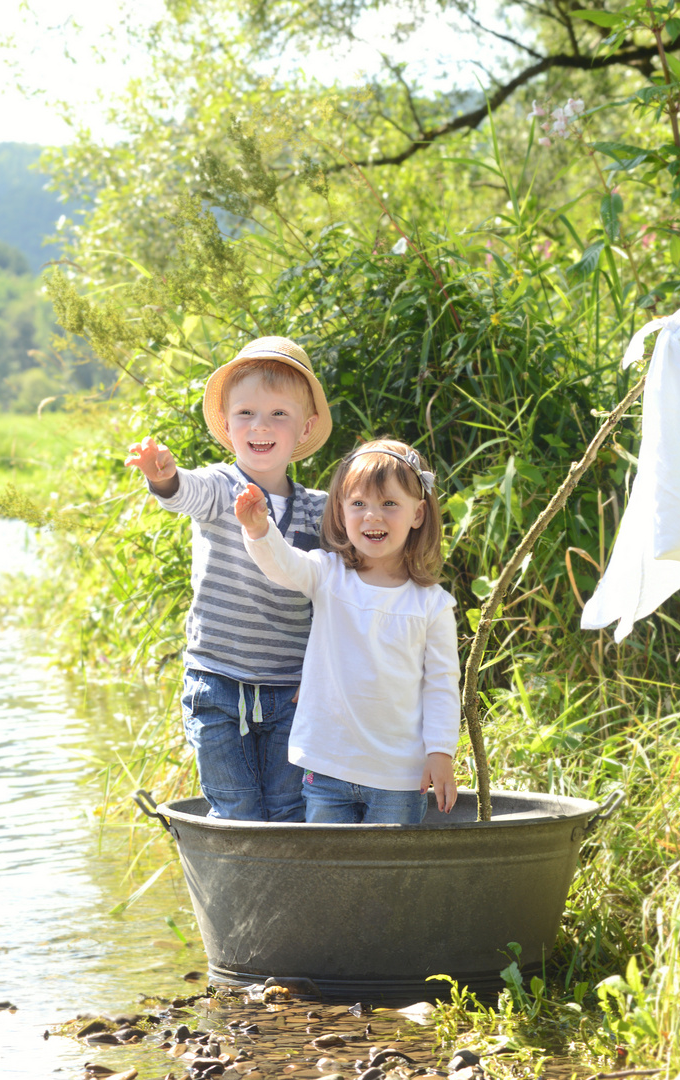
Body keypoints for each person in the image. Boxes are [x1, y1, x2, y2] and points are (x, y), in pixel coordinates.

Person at [124, 336, 333, 821]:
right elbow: (184, 493)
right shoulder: (220, 488)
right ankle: (238, 895)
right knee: (235, 807)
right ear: (228, 423)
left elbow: (336, 595)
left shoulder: (319, 510)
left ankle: (290, 897)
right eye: (246, 414)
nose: (260, 426)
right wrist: (163, 477)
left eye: (278, 414)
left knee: (288, 809)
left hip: (291, 689)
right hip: (217, 683)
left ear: (305, 426)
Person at [234, 437, 461, 825]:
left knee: (390, 876)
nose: (373, 516)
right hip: (328, 765)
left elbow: (441, 684)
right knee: (331, 875)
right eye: (359, 504)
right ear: (341, 511)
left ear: (418, 514)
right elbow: (285, 566)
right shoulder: (328, 574)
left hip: (399, 775)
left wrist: (440, 753)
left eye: (389, 504)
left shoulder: (431, 604)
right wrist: (260, 530)